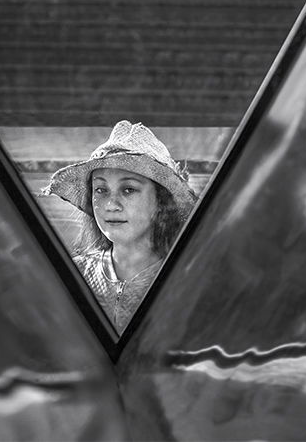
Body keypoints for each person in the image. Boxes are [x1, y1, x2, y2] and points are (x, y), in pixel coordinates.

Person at [42, 120, 196, 334]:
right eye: (100, 190)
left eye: (128, 190)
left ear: (161, 201)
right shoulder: (72, 275)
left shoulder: (186, 281)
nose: (110, 205)